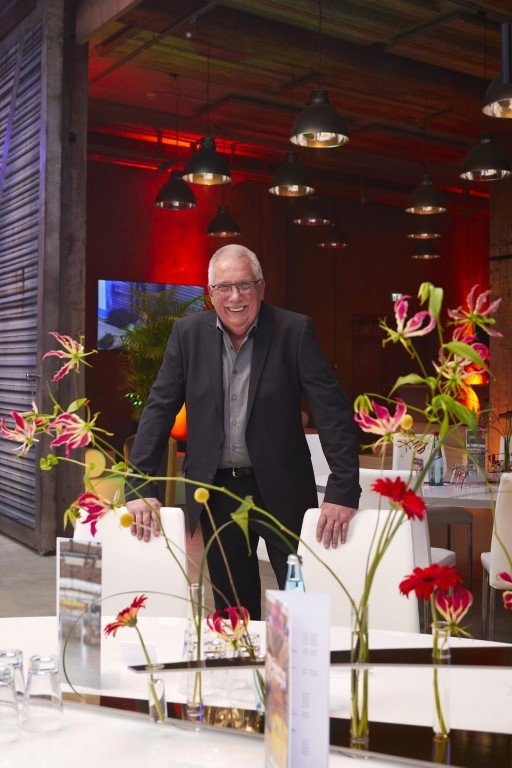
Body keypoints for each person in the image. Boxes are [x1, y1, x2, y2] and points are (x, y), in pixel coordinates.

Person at [126, 244, 360, 619]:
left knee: (300, 603)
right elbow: (159, 407)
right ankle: (243, 658)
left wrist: (343, 489)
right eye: (224, 287)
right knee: (234, 611)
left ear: (261, 288)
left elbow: (331, 410)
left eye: (244, 285)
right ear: (211, 293)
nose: (235, 297)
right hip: (216, 491)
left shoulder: (293, 330)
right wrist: (139, 484)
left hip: (284, 490)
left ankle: (296, 658)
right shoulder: (187, 334)